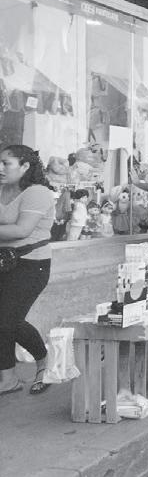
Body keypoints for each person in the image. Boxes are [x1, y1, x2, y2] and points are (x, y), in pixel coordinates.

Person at [0, 145, 56, 396]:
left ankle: (44, 362)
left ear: (25, 167)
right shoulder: (2, 189)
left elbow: (22, 230)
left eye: (6, 163)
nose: (0, 168)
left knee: (7, 320)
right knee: (4, 320)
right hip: (4, 261)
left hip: (32, 264)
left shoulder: (38, 192)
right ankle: (8, 379)